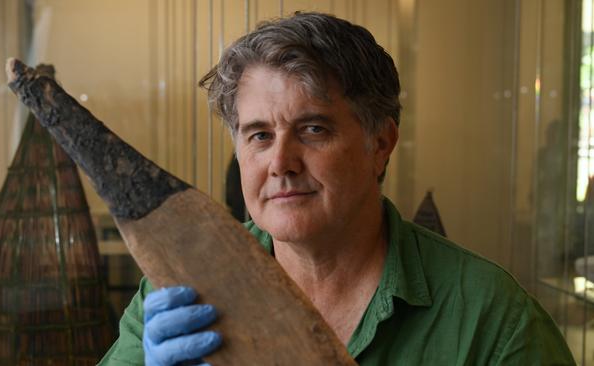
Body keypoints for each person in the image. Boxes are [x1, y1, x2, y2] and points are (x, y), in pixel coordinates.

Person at [99, 12, 575, 365]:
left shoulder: (493, 320)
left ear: (381, 143)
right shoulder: (181, 291)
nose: (280, 163)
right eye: (260, 135)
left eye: (313, 130)